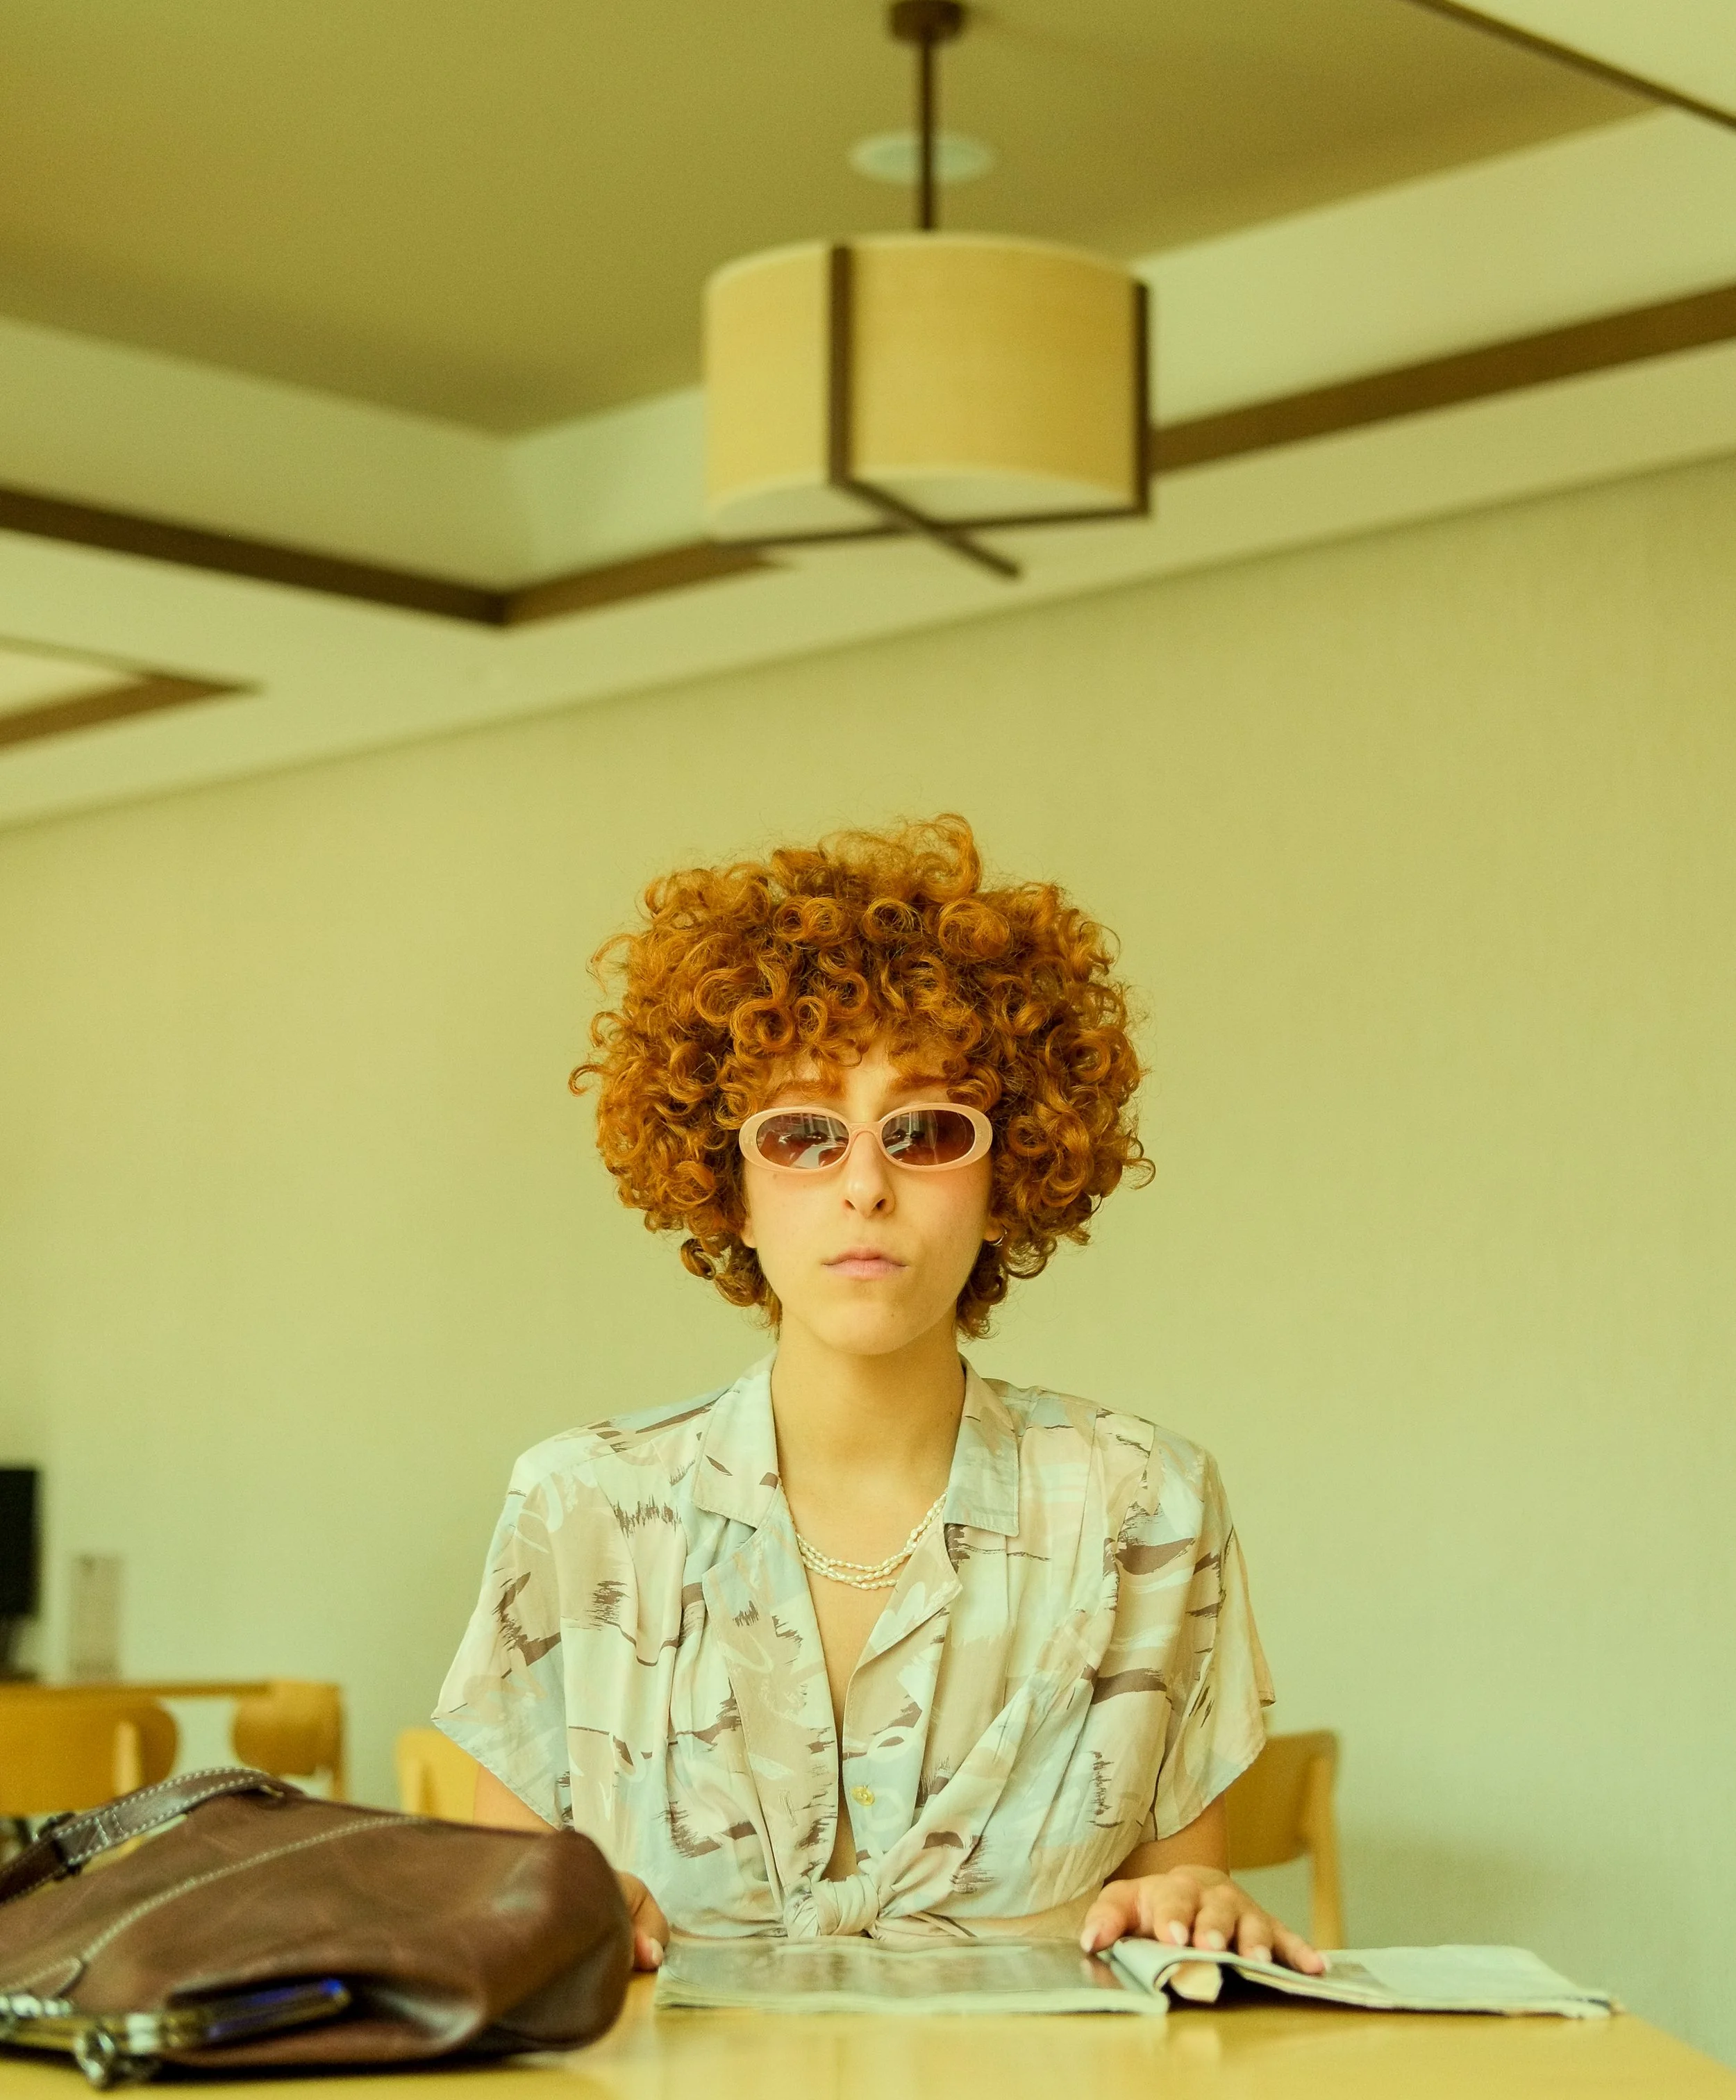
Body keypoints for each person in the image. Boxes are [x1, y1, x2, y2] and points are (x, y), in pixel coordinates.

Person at [435, 817, 1323, 1979]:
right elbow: (504, 1956)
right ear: (729, 1184)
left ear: (1008, 1174)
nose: (865, 1185)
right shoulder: (578, 1507)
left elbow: (1170, 1906)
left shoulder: (1145, 1505)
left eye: (929, 1131)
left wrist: (1202, 1901)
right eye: (804, 1134)